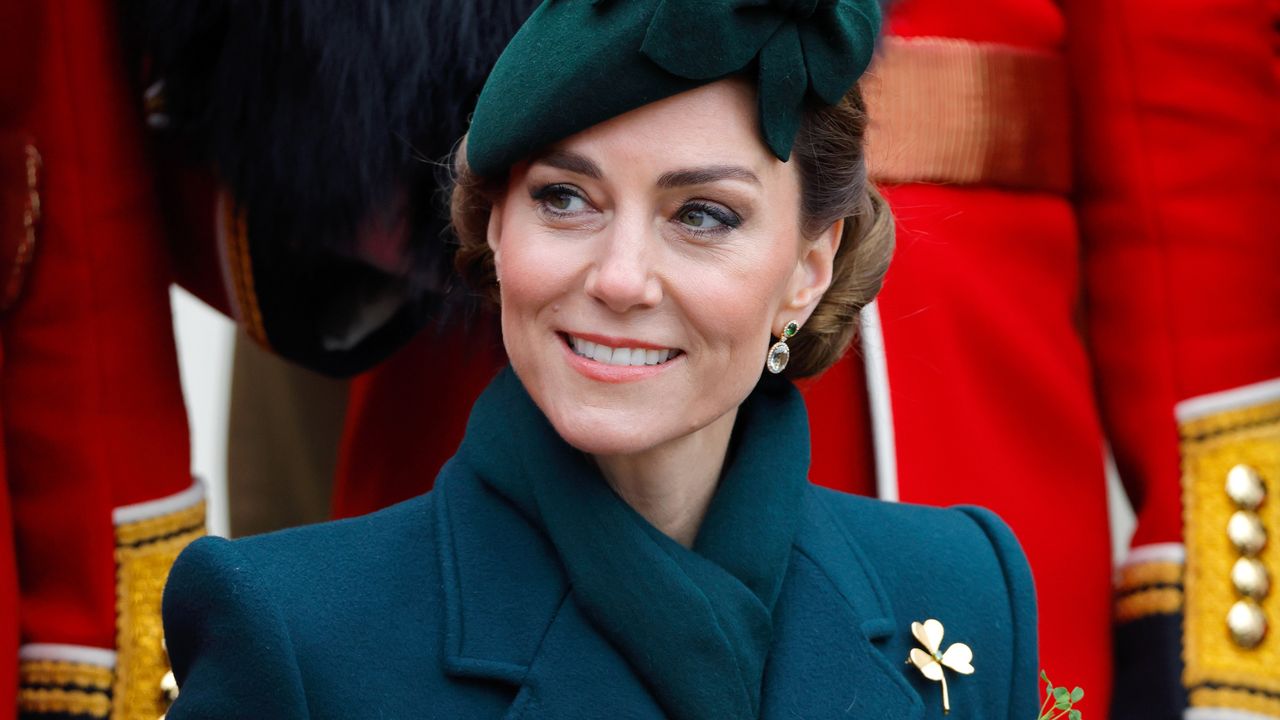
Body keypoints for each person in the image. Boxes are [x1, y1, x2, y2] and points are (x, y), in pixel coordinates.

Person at [160, 1, 1039, 718]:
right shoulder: (288, 632)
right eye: (565, 198)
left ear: (808, 272)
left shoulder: (966, 591)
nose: (620, 280)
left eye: (703, 215)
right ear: (494, 226)